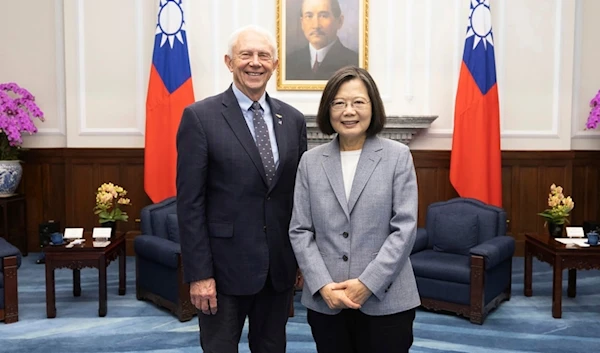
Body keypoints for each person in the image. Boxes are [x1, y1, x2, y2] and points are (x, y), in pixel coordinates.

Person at [176, 24, 308, 353]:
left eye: (264, 55)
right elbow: (190, 204)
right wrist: (199, 274)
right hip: (222, 273)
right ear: (229, 62)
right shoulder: (200, 117)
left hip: (277, 270)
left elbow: (299, 197)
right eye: (245, 54)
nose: (255, 62)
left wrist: (302, 260)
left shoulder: (292, 120)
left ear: (275, 65)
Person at [289, 66, 420, 353]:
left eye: (358, 102)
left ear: (373, 107)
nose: (349, 111)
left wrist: (367, 283)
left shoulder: (397, 157)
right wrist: (323, 285)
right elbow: (300, 230)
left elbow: (405, 229)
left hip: (387, 301)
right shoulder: (310, 162)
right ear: (328, 110)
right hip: (328, 301)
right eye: (339, 103)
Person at [286, 0, 359, 80]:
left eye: (323, 16)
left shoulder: (354, 62)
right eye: (309, 16)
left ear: (339, 21)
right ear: (302, 23)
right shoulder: (289, 62)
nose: (316, 25)